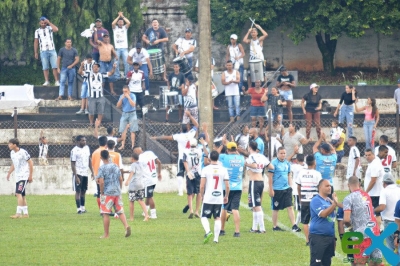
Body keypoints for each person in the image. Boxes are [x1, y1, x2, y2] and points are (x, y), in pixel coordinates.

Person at [151, 111, 198, 196]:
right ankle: (192, 190)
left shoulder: (178, 136)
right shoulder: (191, 134)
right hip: (190, 157)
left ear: (181, 129)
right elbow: (197, 126)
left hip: (181, 158)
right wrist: (190, 116)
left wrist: (156, 137)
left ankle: (180, 191)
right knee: (190, 173)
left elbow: (167, 137)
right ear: (188, 128)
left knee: (180, 173)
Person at [343, 176, 383, 265]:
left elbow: (346, 219)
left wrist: (349, 228)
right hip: (375, 233)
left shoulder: (348, 198)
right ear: (359, 184)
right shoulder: (366, 195)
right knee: (376, 263)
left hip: (361, 235)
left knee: (360, 263)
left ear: (348, 185)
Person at [96, 150, 131, 238]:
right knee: (120, 211)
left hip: (107, 192)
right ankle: (126, 226)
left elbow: (101, 182)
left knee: (105, 213)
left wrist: (101, 191)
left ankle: (106, 234)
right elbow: (120, 178)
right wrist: (119, 188)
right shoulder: (116, 166)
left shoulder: (102, 168)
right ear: (109, 156)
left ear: (101, 158)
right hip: (117, 191)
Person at [268, 147, 301, 232]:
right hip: (277, 189)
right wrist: (271, 189)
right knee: (276, 208)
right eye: (281, 153)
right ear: (278, 154)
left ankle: (294, 225)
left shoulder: (287, 163)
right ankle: (275, 226)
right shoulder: (273, 163)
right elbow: (270, 177)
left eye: (284, 153)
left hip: (286, 189)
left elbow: (289, 175)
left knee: (290, 206)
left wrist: (291, 186)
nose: (283, 155)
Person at [200, 151, 230, 244]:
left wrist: (202, 195)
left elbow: (202, 185)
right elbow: (227, 185)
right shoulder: (223, 169)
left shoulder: (205, 169)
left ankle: (208, 231)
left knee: (203, 216)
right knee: (217, 217)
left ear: (209, 158)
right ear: (218, 158)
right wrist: (226, 196)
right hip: (218, 197)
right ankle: (216, 239)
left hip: (209, 196)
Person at [246, 141, 274, 233]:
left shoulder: (251, 157)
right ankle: (254, 227)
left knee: (257, 205)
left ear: (250, 147)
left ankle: (262, 228)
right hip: (261, 182)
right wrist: (261, 167)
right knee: (254, 205)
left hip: (254, 181)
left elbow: (254, 165)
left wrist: (247, 164)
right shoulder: (261, 156)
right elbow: (271, 167)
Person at [309, 179, 338, 266]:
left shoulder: (329, 201)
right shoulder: (316, 200)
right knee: (316, 263)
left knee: (327, 262)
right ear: (320, 187)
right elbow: (323, 214)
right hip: (318, 236)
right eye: (327, 186)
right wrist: (334, 205)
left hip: (329, 237)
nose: (329, 188)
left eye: (330, 186)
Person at [219, 142, 245, 237]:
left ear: (227, 150)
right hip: (238, 187)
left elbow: (214, 154)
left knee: (223, 208)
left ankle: (222, 229)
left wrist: (223, 143)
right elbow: (238, 156)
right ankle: (237, 231)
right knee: (235, 209)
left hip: (226, 186)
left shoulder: (224, 157)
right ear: (236, 149)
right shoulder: (241, 158)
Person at [78, 62, 116, 126]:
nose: (96, 68)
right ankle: (91, 123)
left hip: (100, 96)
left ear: (99, 68)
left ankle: (98, 124)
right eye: (95, 66)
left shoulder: (101, 74)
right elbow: (80, 72)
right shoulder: (88, 74)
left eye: (97, 67)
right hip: (91, 96)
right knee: (91, 112)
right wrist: (81, 66)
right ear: (92, 68)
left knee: (100, 112)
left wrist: (114, 68)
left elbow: (110, 73)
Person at [296, 154, 322, 245]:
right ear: (314, 162)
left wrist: (300, 197)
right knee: (315, 220)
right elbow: (320, 187)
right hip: (314, 200)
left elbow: (298, 186)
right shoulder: (317, 174)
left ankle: (307, 240)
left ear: (306, 163)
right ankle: (315, 238)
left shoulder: (301, 173)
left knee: (305, 221)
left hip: (304, 200)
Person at [6, 138, 33, 219]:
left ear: (15, 145)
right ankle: (25, 214)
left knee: (18, 193)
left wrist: (30, 176)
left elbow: (30, 163)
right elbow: (14, 164)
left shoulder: (23, 152)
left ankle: (18, 213)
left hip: (24, 176)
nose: (9, 145)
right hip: (18, 176)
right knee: (22, 195)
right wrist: (9, 172)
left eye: (10, 144)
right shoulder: (12, 153)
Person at [132, 146, 162, 219]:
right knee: (148, 195)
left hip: (147, 179)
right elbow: (159, 162)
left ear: (136, 151)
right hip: (154, 178)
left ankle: (153, 214)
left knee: (149, 196)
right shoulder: (150, 153)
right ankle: (145, 210)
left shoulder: (140, 159)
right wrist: (159, 173)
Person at [375, 173, 400, 252]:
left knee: (390, 249)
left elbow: (382, 207)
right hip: (399, 222)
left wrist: (372, 210)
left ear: (384, 183)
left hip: (389, 223)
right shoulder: (398, 189)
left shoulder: (384, 191)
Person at [70, 135, 93, 214]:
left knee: (84, 190)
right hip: (78, 173)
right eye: (83, 140)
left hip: (85, 172)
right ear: (78, 141)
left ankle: (83, 207)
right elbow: (73, 164)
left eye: (85, 140)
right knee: (78, 191)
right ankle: (78, 208)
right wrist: (76, 176)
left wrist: (92, 172)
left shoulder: (87, 148)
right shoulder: (74, 150)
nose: (84, 142)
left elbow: (89, 160)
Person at [34, 16, 60, 86]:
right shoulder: (37, 31)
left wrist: (49, 23)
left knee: (54, 66)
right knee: (45, 67)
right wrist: (36, 52)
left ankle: (56, 81)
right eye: (42, 23)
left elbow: (56, 29)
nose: (43, 24)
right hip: (43, 50)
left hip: (52, 49)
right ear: (39, 23)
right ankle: (47, 81)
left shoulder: (49, 28)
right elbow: (36, 42)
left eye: (44, 23)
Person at [124, 152, 149, 221]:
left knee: (131, 200)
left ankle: (131, 218)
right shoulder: (141, 164)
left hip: (134, 185)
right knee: (141, 200)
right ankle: (146, 215)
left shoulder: (133, 165)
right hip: (141, 184)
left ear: (132, 159)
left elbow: (132, 172)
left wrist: (127, 181)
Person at [183, 139, 204, 219]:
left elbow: (184, 161)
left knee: (189, 193)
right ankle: (197, 211)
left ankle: (191, 210)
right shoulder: (199, 151)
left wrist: (188, 171)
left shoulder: (186, 152)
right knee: (198, 192)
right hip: (198, 173)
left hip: (190, 173)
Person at [364, 148, 385, 230]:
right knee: (375, 212)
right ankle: (379, 228)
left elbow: (373, 180)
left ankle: (379, 229)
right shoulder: (373, 162)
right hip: (374, 192)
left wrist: (366, 192)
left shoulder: (375, 164)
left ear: (373, 155)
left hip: (375, 193)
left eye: (369, 155)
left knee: (376, 212)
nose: (367, 157)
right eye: (366, 155)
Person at [111, 12, 131, 79]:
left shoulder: (125, 28)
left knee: (127, 62)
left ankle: (126, 76)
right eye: (119, 22)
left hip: (124, 48)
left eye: (121, 22)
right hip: (117, 49)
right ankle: (117, 76)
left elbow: (128, 23)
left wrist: (122, 16)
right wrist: (118, 16)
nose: (120, 23)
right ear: (117, 22)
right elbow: (113, 23)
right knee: (116, 63)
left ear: (123, 23)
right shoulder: (115, 28)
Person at [291, 154, 307, 227]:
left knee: (300, 209)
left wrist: (294, 152)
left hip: (297, 190)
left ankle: (296, 225)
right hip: (306, 189)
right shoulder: (306, 166)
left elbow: (287, 162)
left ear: (297, 160)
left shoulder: (295, 166)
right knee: (305, 208)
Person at [92, 136, 108, 209]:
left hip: (97, 174)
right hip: (105, 175)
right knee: (106, 192)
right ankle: (106, 208)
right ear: (106, 143)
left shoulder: (95, 152)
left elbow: (93, 164)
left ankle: (101, 209)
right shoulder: (106, 152)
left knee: (99, 192)